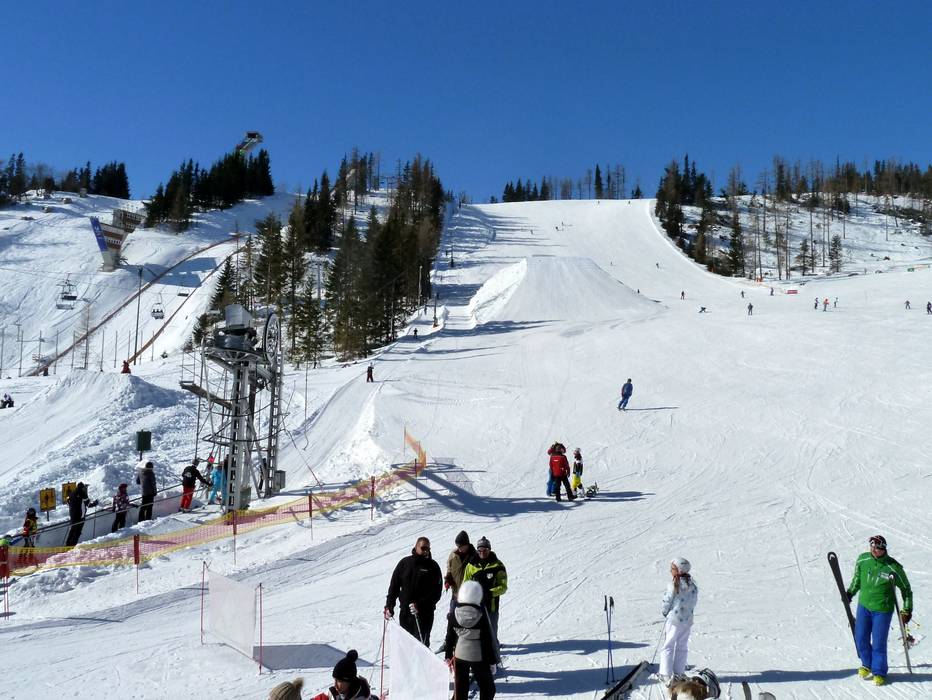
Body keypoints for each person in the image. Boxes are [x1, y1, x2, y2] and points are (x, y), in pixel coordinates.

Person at [846, 535, 913, 686]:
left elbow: (906, 590)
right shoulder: (863, 560)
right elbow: (857, 579)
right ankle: (867, 664)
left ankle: (879, 671)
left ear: (883, 549)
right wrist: (850, 593)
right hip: (864, 606)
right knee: (860, 638)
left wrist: (907, 610)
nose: (874, 550)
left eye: (877, 548)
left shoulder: (893, 567)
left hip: (882, 610)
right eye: (872, 547)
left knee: (878, 643)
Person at [444, 580, 499, 700]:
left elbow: (449, 637)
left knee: (460, 689)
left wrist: (448, 655)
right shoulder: (481, 615)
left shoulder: (453, 614)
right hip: (478, 657)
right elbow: (486, 641)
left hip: (459, 656)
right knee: (488, 688)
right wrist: (492, 661)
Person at [384, 537, 443, 646]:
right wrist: (389, 606)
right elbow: (394, 586)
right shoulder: (405, 563)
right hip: (406, 613)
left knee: (421, 646)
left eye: (428, 548)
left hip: (424, 615)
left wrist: (420, 605)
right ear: (416, 547)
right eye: (423, 548)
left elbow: (436, 593)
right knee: (405, 645)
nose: (426, 551)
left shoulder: (433, 567)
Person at [659, 557, 699, 685]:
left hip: (674, 620)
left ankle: (665, 674)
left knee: (668, 645)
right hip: (687, 620)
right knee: (682, 645)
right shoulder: (693, 586)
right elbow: (694, 602)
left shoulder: (673, 585)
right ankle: (679, 671)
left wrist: (665, 612)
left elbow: (667, 601)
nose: (670, 571)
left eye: (673, 568)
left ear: (679, 570)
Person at [462, 536, 508, 643]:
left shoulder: (497, 565)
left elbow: (503, 587)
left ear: (489, 549)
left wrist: (489, 593)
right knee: (476, 633)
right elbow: (466, 584)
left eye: (485, 550)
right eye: (480, 550)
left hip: (491, 606)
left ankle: (494, 648)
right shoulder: (471, 565)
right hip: (475, 606)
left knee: (491, 632)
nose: (482, 552)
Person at [441, 530, 477, 652]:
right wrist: (448, 579)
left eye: (461, 546)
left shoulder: (474, 556)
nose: (459, 548)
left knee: (467, 621)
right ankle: (448, 643)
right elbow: (449, 568)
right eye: (458, 546)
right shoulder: (453, 554)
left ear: (467, 544)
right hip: (456, 594)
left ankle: (465, 644)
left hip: (469, 596)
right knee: (452, 618)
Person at [65, 482, 99, 547]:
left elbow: (68, 502)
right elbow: (88, 505)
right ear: (83, 488)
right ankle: (72, 547)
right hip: (80, 517)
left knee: (72, 531)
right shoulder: (83, 494)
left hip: (73, 516)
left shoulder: (72, 493)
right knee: (77, 533)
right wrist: (95, 503)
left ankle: (67, 546)